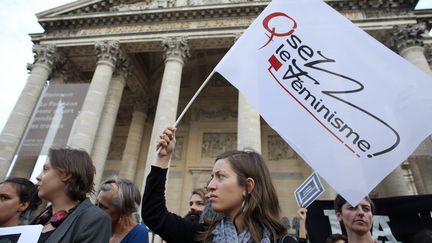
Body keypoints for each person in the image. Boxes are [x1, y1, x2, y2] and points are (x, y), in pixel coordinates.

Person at [142, 127, 297, 243]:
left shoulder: (281, 241)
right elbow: (154, 215)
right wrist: (163, 158)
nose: (210, 185)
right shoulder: (204, 235)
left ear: (248, 186)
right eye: (212, 177)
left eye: (220, 177)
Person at [31, 147, 111, 243]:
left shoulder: (95, 219)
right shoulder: (41, 219)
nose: (38, 177)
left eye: (46, 169)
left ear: (67, 175)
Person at [97, 177, 149, 243]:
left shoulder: (138, 233)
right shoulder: (98, 228)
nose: (96, 210)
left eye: (103, 207)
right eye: (96, 204)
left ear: (123, 211)